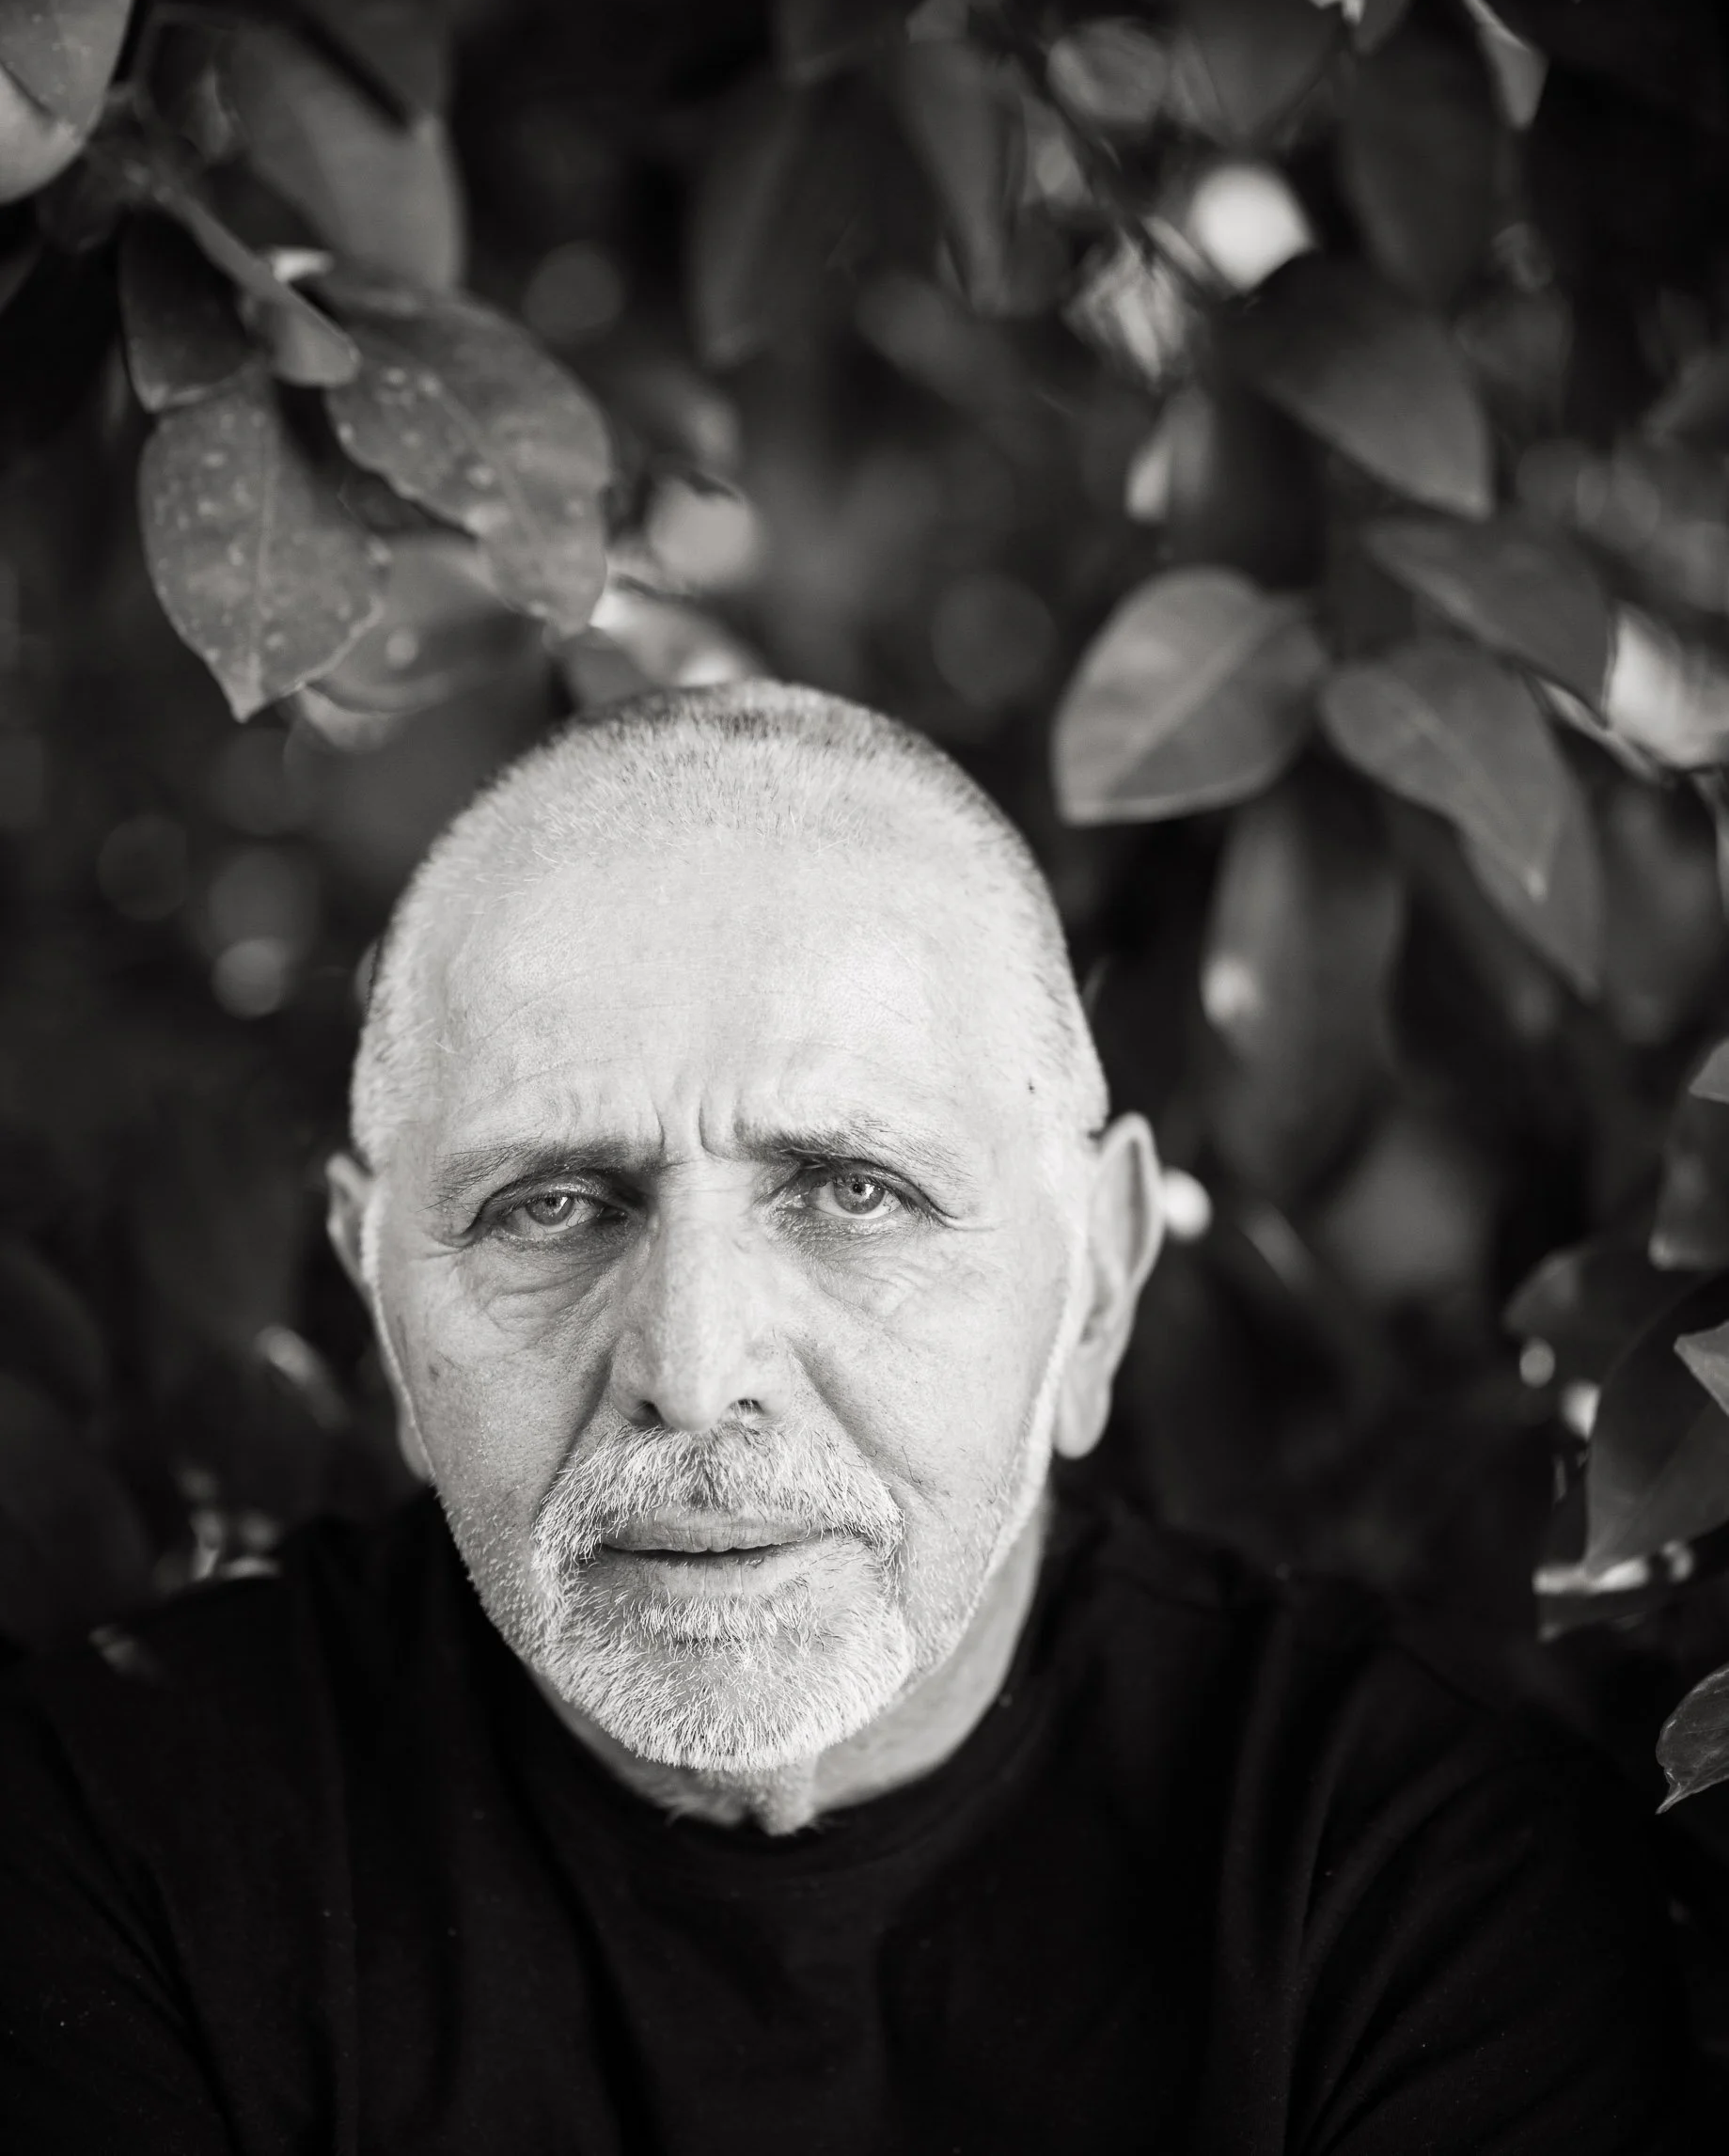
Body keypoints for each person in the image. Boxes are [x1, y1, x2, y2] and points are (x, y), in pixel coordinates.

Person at [0, 684, 1699, 2152]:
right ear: (379, 1300)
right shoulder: (107, 1838)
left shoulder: (1417, 1881)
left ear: (1095, 1285)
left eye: (853, 1191)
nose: (692, 1367)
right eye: (550, 1206)